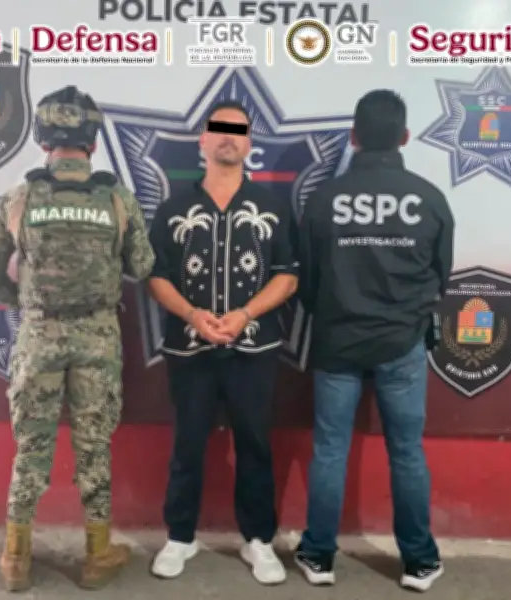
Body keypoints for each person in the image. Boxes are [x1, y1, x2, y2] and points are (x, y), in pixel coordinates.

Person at [0, 85, 155, 592]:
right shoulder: (117, 198)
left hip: (38, 336)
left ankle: (15, 559)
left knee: (31, 446)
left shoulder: (17, 198)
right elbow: (143, 266)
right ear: (93, 142)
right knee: (94, 446)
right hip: (98, 337)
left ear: (42, 140)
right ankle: (97, 556)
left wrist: (30, 305)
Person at [294, 90, 454, 592]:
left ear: (353, 137)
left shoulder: (324, 199)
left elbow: (308, 284)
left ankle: (318, 556)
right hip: (403, 344)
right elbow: (441, 276)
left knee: (330, 451)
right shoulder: (429, 198)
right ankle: (420, 562)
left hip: (337, 343)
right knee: (406, 452)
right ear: (404, 137)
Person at [146, 101, 299, 585]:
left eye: (238, 130)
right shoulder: (173, 209)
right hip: (189, 348)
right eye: (219, 129)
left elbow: (288, 275)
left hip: (254, 348)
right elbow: (156, 276)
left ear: (250, 143)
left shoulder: (274, 207)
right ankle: (180, 536)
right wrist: (193, 315)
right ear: (203, 140)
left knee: (254, 443)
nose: (228, 137)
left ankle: (258, 540)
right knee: (187, 444)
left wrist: (246, 313)